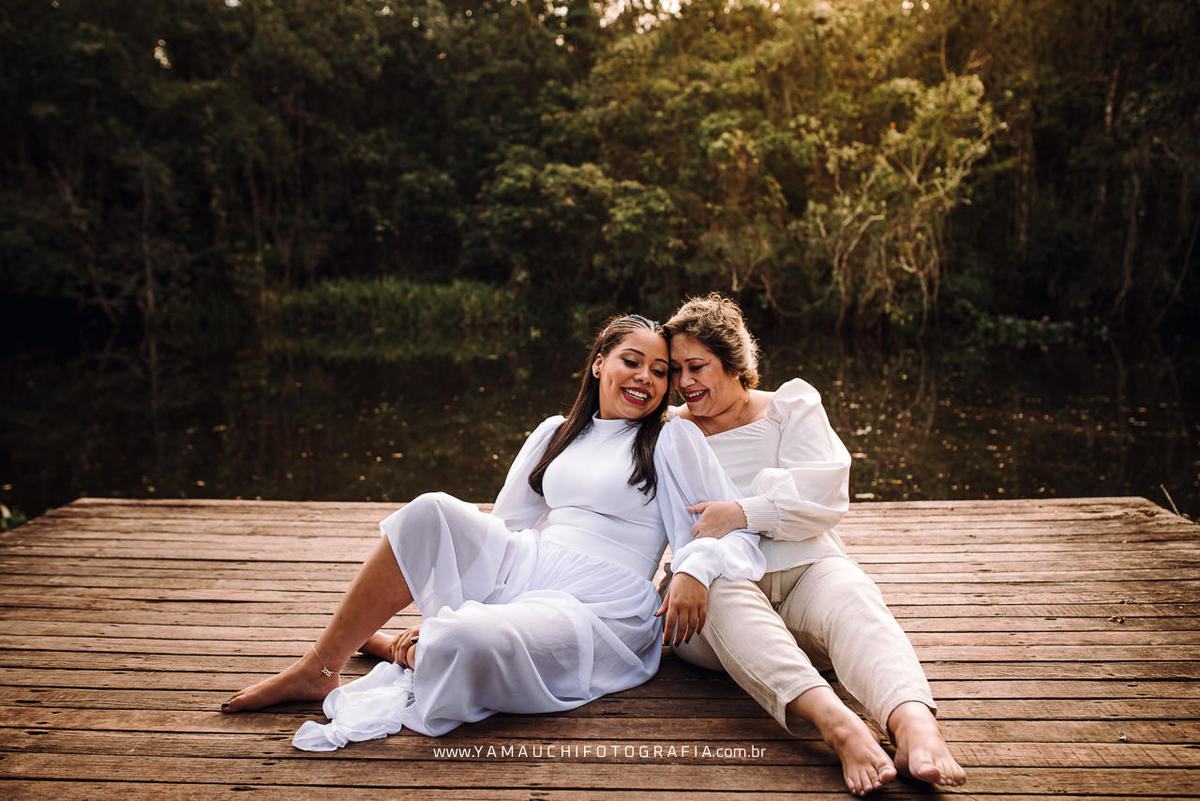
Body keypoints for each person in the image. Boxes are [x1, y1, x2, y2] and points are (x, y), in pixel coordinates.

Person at [221, 314, 765, 751]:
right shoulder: (555, 433)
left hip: (602, 602)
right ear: (600, 363)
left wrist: (693, 568)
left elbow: (730, 529)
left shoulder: (671, 439)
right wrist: (455, 594)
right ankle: (318, 667)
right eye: (632, 361)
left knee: (466, 638)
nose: (646, 377)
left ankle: (399, 647)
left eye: (661, 371)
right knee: (431, 510)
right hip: (531, 561)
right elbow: (504, 528)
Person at [662, 294, 967, 796]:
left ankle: (913, 723)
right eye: (675, 370)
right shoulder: (669, 431)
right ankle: (840, 727)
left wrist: (742, 512)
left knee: (851, 591)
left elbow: (823, 496)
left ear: (734, 363)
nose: (684, 382)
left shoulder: (790, 407)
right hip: (718, 610)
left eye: (697, 367)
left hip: (805, 573)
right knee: (720, 588)